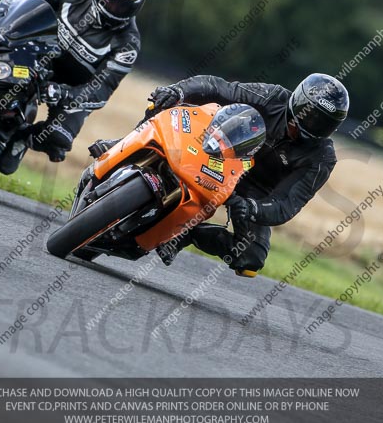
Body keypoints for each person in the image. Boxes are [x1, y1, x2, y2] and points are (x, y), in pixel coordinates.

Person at [105, 73, 349, 277]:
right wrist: (178, 91)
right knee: (162, 103)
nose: (309, 124)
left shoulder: (322, 158)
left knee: (250, 259)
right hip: (223, 152)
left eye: (321, 122)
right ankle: (120, 146)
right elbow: (218, 87)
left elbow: (287, 204)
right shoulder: (272, 96)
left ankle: (186, 233)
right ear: (297, 101)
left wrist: (252, 208)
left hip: (253, 190)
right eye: (308, 114)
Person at [0, 0, 147, 169]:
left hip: (71, 87)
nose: (114, 8)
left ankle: (23, 137)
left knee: (59, 140)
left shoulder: (128, 43)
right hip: (35, 55)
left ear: (135, 7)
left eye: (123, 5)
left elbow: (102, 88)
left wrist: (64, 93)